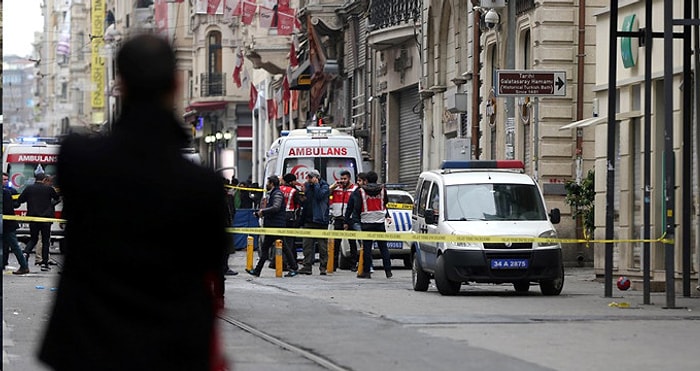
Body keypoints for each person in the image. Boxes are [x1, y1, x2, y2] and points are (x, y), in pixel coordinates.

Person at [38, 34, 229, 371]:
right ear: (177, 82)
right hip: (172, 353)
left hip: (89, 352)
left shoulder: (78, 161)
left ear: (119, 84)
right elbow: (212, 264)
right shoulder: (204, 187)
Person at [246, 176, 291, 277]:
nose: (266, 184)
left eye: (268, 182)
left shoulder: (277, 194)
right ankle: (257, 270)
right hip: (273, 224)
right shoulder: (274, 193)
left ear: (272, 184)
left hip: (275, 225)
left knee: (269, 248)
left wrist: (262, 211)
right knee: (271, 248)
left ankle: (257, 270)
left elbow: (276, 207)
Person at [350, 171, 392, 279]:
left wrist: (358, 218)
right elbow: (385, 202)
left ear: (366, 180)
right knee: (383, 248)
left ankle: (367, 272)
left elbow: (358, 207)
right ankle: (388, 271)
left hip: (366, 223)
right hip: (379, 222)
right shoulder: (383, 190)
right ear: (376, 179)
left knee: (367, 249)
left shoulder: (361, 191)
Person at [17, 172, 61, 271]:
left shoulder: (29, 188)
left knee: (33, 239)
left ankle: (25, 253)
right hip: (46, 219)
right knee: (45, 241)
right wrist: (51, 205)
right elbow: (57, 198)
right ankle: (44, 264)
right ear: (44, 179)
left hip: (33, 218)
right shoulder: (49, 189)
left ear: (34, 178)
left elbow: (20, 200)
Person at [298, 169, 330, 275]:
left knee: (322, 247)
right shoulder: (307, 186)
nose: (309, 180)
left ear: (317, 177)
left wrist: (316, 185)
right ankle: (307, 266)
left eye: (311, 177)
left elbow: (319, 196)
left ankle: (323, 267)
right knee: (307, 245)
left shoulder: (324, 186)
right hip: (309, 220)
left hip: (320, 220)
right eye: (309, 177)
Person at [329, 170, 357, 271]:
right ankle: (334, 265)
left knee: (352, 242)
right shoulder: (337, 188)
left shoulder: (354, 189)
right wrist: (333, 186)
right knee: (336, 243)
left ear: (349, 178)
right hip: (338, 217)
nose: (343, 181)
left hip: (350, 219)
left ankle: (353, 264)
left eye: (345, 179)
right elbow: (326, 194)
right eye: (341, 179)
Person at [279, 173, 304, 275]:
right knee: (289, 242)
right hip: (290, 217)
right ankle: (289, 264)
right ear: (291, 181)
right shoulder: (293, 191)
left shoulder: (279, 189)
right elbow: (301, 202)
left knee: (283, 241)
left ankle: (284, 263)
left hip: (280, 217)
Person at [343, 172, 367, 272]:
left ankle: (366, 265)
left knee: (364, 244)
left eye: (360, 180)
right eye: (357, 180)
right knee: (355, 243)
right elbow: (350, 208)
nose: (358, 182)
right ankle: (355, 264)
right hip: (356, 221)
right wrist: (346, 221)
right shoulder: (356, 193)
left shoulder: (372, 192)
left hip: (366, 221)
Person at [3, 187, 30, 274]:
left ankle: (24, 266)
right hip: (7, 224)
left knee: (15, 246)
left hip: (7, 225)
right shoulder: (6, 192)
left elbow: (8, 208)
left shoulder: (6, 192)